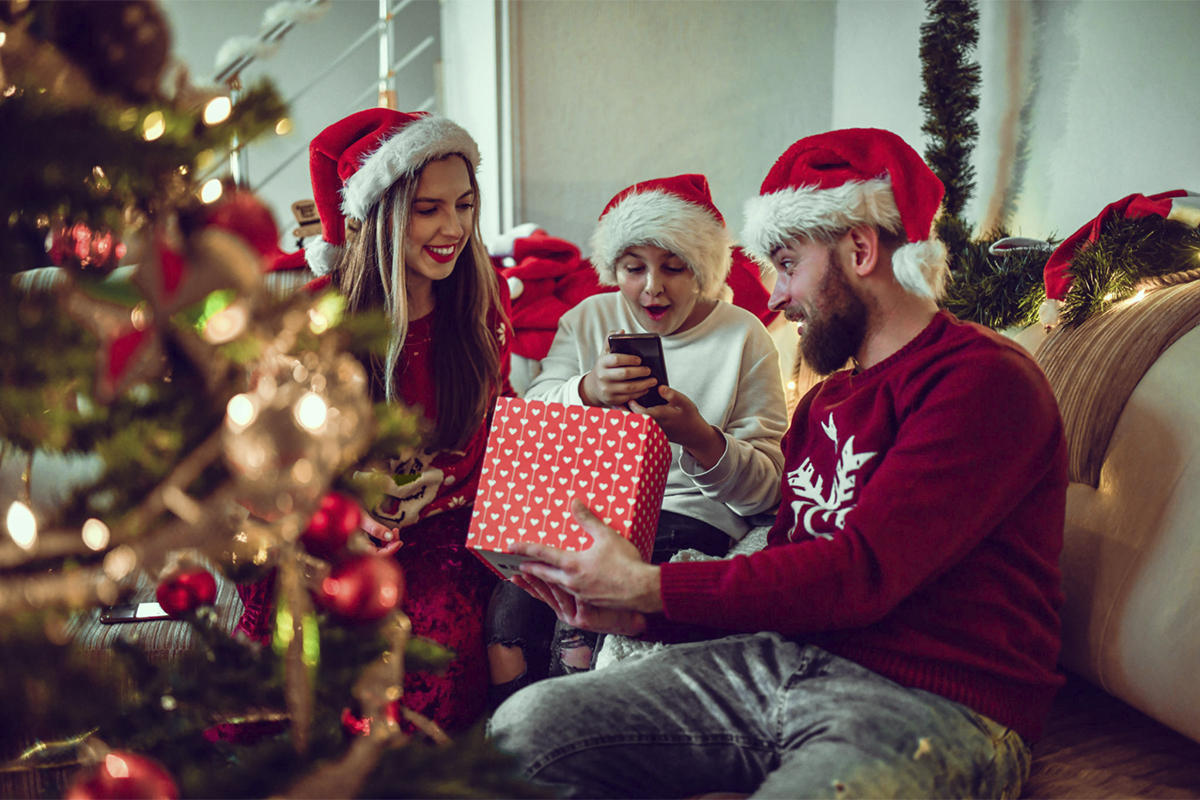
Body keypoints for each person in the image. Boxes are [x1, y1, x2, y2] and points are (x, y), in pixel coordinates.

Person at [487, 128, 1068, 798]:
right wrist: (641, 618)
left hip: (930, 698)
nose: (778, 297)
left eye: (788, 264)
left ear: (859, 249)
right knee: (527, 731)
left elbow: (862, 571)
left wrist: (647, 588)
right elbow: (785, 559)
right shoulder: (827, 400)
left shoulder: (980, 381)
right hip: (781, 657)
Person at [236, 108, 512, 733]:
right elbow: (258, 461)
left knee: (434, 635)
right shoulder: (314, 324)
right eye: (428, 208)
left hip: (442, 534)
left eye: (465, 205)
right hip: (319, 531)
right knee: (305, 644)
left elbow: (493, 440)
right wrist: (331, 518)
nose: (454, 228)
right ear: (383, 213)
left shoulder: (480, 312)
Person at [485, 175, 788, 702]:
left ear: (704, 269)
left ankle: (572, 741)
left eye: (674, 267)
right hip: (583, 510)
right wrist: (586, 390)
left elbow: (767, 491)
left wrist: (700, 439)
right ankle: (509, 751)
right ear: (612, 269)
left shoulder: (744, 336)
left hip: (689, 519)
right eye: (633, 268)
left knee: (578, 639)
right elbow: (530, 413)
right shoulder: (586, 320)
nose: (653, 286)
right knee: (508, 617)